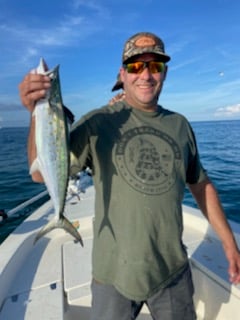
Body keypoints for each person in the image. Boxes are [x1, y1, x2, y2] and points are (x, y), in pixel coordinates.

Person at [19, 31, 240, 320]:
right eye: (136, 66)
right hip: (112, 276)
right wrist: (36, 112)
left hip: (172, 272)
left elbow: (200, 185)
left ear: (165, 73)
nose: (146, 75)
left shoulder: (180, 125)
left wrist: (228, 241)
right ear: (122, 74)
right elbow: (40, 172)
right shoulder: (98, 122)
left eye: (155, 66)